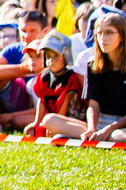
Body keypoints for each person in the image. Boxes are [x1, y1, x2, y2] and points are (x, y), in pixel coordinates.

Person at [43, 11, 126, 142]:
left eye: (109, 32)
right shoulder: (93, 65)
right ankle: (95, 136)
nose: (103, 38)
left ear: (122, 35)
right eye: (99, 33)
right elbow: (93, 105)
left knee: (121, 136)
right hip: (99, 123)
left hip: (121, 125)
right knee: (49, 120)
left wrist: (110, 129)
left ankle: (97, 137)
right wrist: (92, 128)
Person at [28, 34, 84, 136]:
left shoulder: (71, 78)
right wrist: (36, 122)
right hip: (52, 119)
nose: (51, 61)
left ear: (66, 56)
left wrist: (56, 125)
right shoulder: (43, 76)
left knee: (53, 126)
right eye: (48, 57)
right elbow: (42, 100)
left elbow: (65, 102)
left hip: (71, 120)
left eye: (56, 56)